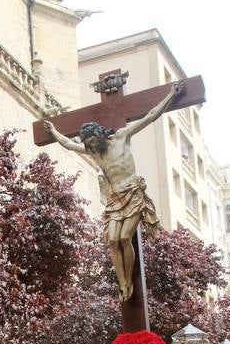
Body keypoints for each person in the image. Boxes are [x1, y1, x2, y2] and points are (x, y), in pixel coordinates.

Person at [42, 80, 184, 300]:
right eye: (88, 144)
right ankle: (123, 283)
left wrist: (170, 96)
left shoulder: (121, 136)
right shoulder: (95, 153)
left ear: (100, 134)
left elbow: (150, 116)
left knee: (125, 237)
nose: (92, 146)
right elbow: (69, 145)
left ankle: (130, 283)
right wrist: (53, 131)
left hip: (133, 194)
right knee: (112, 240)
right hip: (114, 199)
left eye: (93, 141)